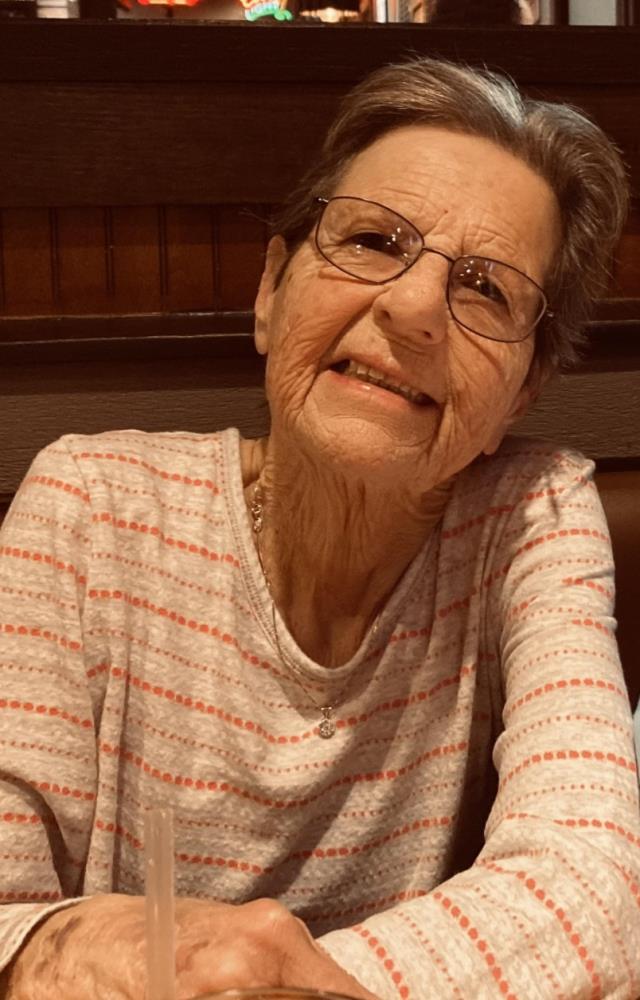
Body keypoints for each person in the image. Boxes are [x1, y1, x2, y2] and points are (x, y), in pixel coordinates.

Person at [0, 55, 638, 999]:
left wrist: (251, 985)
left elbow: (592, 891)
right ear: (271, 290)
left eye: (486, 289)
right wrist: (56, 950)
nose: (413, 309)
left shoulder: (532, 516)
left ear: (522, 392)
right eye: (374, 240)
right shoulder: (91, 509)